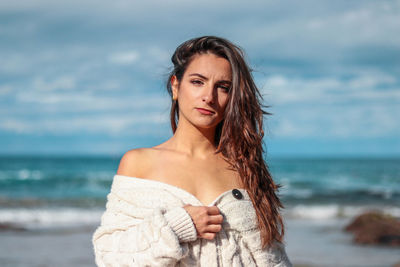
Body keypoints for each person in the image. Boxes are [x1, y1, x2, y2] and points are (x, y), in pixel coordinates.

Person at [92, 36, 292, 266]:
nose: (209, 96)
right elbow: (109, 255)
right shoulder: (139, 162)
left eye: (223, 87)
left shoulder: (244, 167)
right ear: (176, 86)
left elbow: (273, 259)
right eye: (198, 82)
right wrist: (178, 225)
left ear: (233, 98)